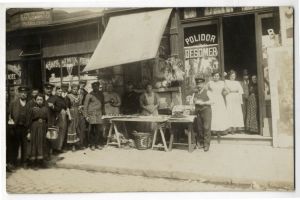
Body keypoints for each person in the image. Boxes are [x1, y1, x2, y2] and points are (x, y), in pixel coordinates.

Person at [8, 85, 30, 168]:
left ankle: (24, 162)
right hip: (16, 127)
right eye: (22, 93)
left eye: (25, 93)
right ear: (19, 93)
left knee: (25, 145)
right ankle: (13, 162)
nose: (24, 94)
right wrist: (11, 128)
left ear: (27, 94)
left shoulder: (29, 103)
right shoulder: (13, 103)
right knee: (15, 145)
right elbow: (9, 116)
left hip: (25, 127)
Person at [26, 93, 48, 169]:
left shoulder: (45, 109)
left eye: (41, 99)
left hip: (43, 128)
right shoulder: (32, 109)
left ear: (43, 100)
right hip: (34, 128)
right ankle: (34, 163)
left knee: (42, 144)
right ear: (35, 100)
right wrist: (28, 132)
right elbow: (28, 121)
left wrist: (48, 130)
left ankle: (41, 161)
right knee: (35, 144)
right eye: (38, 99)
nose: (39, 101)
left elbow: (48, 120)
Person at [48, 85, 70, 154]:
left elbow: (66, 107)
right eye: (58, 91)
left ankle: (59, 147)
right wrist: (56, 109)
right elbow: (50, 106)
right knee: (56, 132)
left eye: (61, 91)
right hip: (57, 116)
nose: (60, 92)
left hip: (63, 116)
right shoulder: (53, 97)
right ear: (56, 91)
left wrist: (68, 114)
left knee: (62, 132)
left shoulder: (62, 98)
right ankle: (55, 149)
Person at [193, 78, 213, 152]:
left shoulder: (207, 92)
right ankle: (201, 143)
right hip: (198, 112)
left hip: (206, 110)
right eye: (197, 84)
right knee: (199, 128)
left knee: (206, 127)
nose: (199, 86)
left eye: (200, 84)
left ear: (203, 84)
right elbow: (194, 102)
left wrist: (203, 103)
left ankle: (206, 145)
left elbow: (212, 101)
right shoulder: (195, 93)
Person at [83, 81, 104, 151]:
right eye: (94, 86)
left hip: (99, 114)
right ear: (92, 87)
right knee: (92, 130)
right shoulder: (89, 95)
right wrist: (86, 116)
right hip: (91, 114)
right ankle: (92, 144)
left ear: (98, 87)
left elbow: (102, 104)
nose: (96, 88)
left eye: (97, 86)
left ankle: (97, 143)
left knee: (98, 130)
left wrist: (103, 113)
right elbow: (85, 106)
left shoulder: (101, 94)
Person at [66, 84, 82, 151]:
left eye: (76, 89)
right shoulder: (68, 96)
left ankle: (77, 143)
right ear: (71, 89)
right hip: (71, 113)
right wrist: (69, 115)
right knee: (72, 128)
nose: (75, 90)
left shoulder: (79, 96)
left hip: (77, 113)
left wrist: (80, 107)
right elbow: (67, 107)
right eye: (74, 89)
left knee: (77, 127)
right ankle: (72, 146)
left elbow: (80, 105)